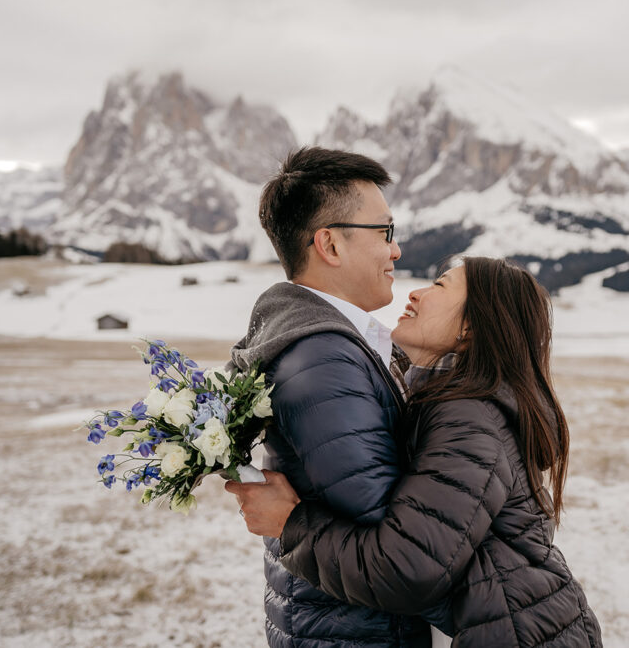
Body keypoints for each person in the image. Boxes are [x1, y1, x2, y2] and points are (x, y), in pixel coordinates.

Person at [228, 257, 603, 648]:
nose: (416, 293)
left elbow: (406, 569)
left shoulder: (470, 415)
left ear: (470, 326)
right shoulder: (451, 401)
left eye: (440, 286)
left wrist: (290, 525)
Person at [229, 146, 430, 647]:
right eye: (384, 231)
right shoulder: (323, 360)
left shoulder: (333, 343)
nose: (396, 249)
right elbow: (394, 546)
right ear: (330, 245)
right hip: (361, 633)